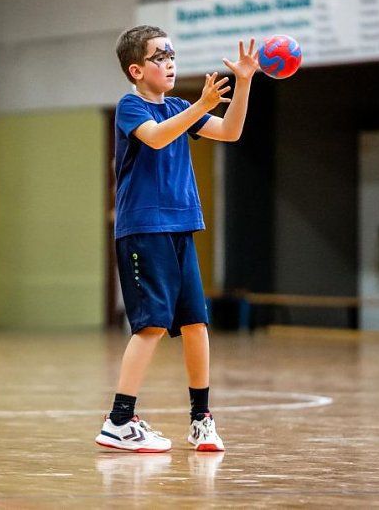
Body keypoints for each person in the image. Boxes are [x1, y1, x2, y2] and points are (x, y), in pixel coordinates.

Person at [95, 25, 258, 453]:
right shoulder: (131, 107)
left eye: (172, 56)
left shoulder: (180, 106)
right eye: (160, 56)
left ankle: (201, 418)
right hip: (143, 229)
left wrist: (242, 84)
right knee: (150, 325)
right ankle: (119, 421)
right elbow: (156, 137)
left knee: (195, 323)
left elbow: (230, 131)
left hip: (181, 225)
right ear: (136, 69)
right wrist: (199, 106)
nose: (169, 63)